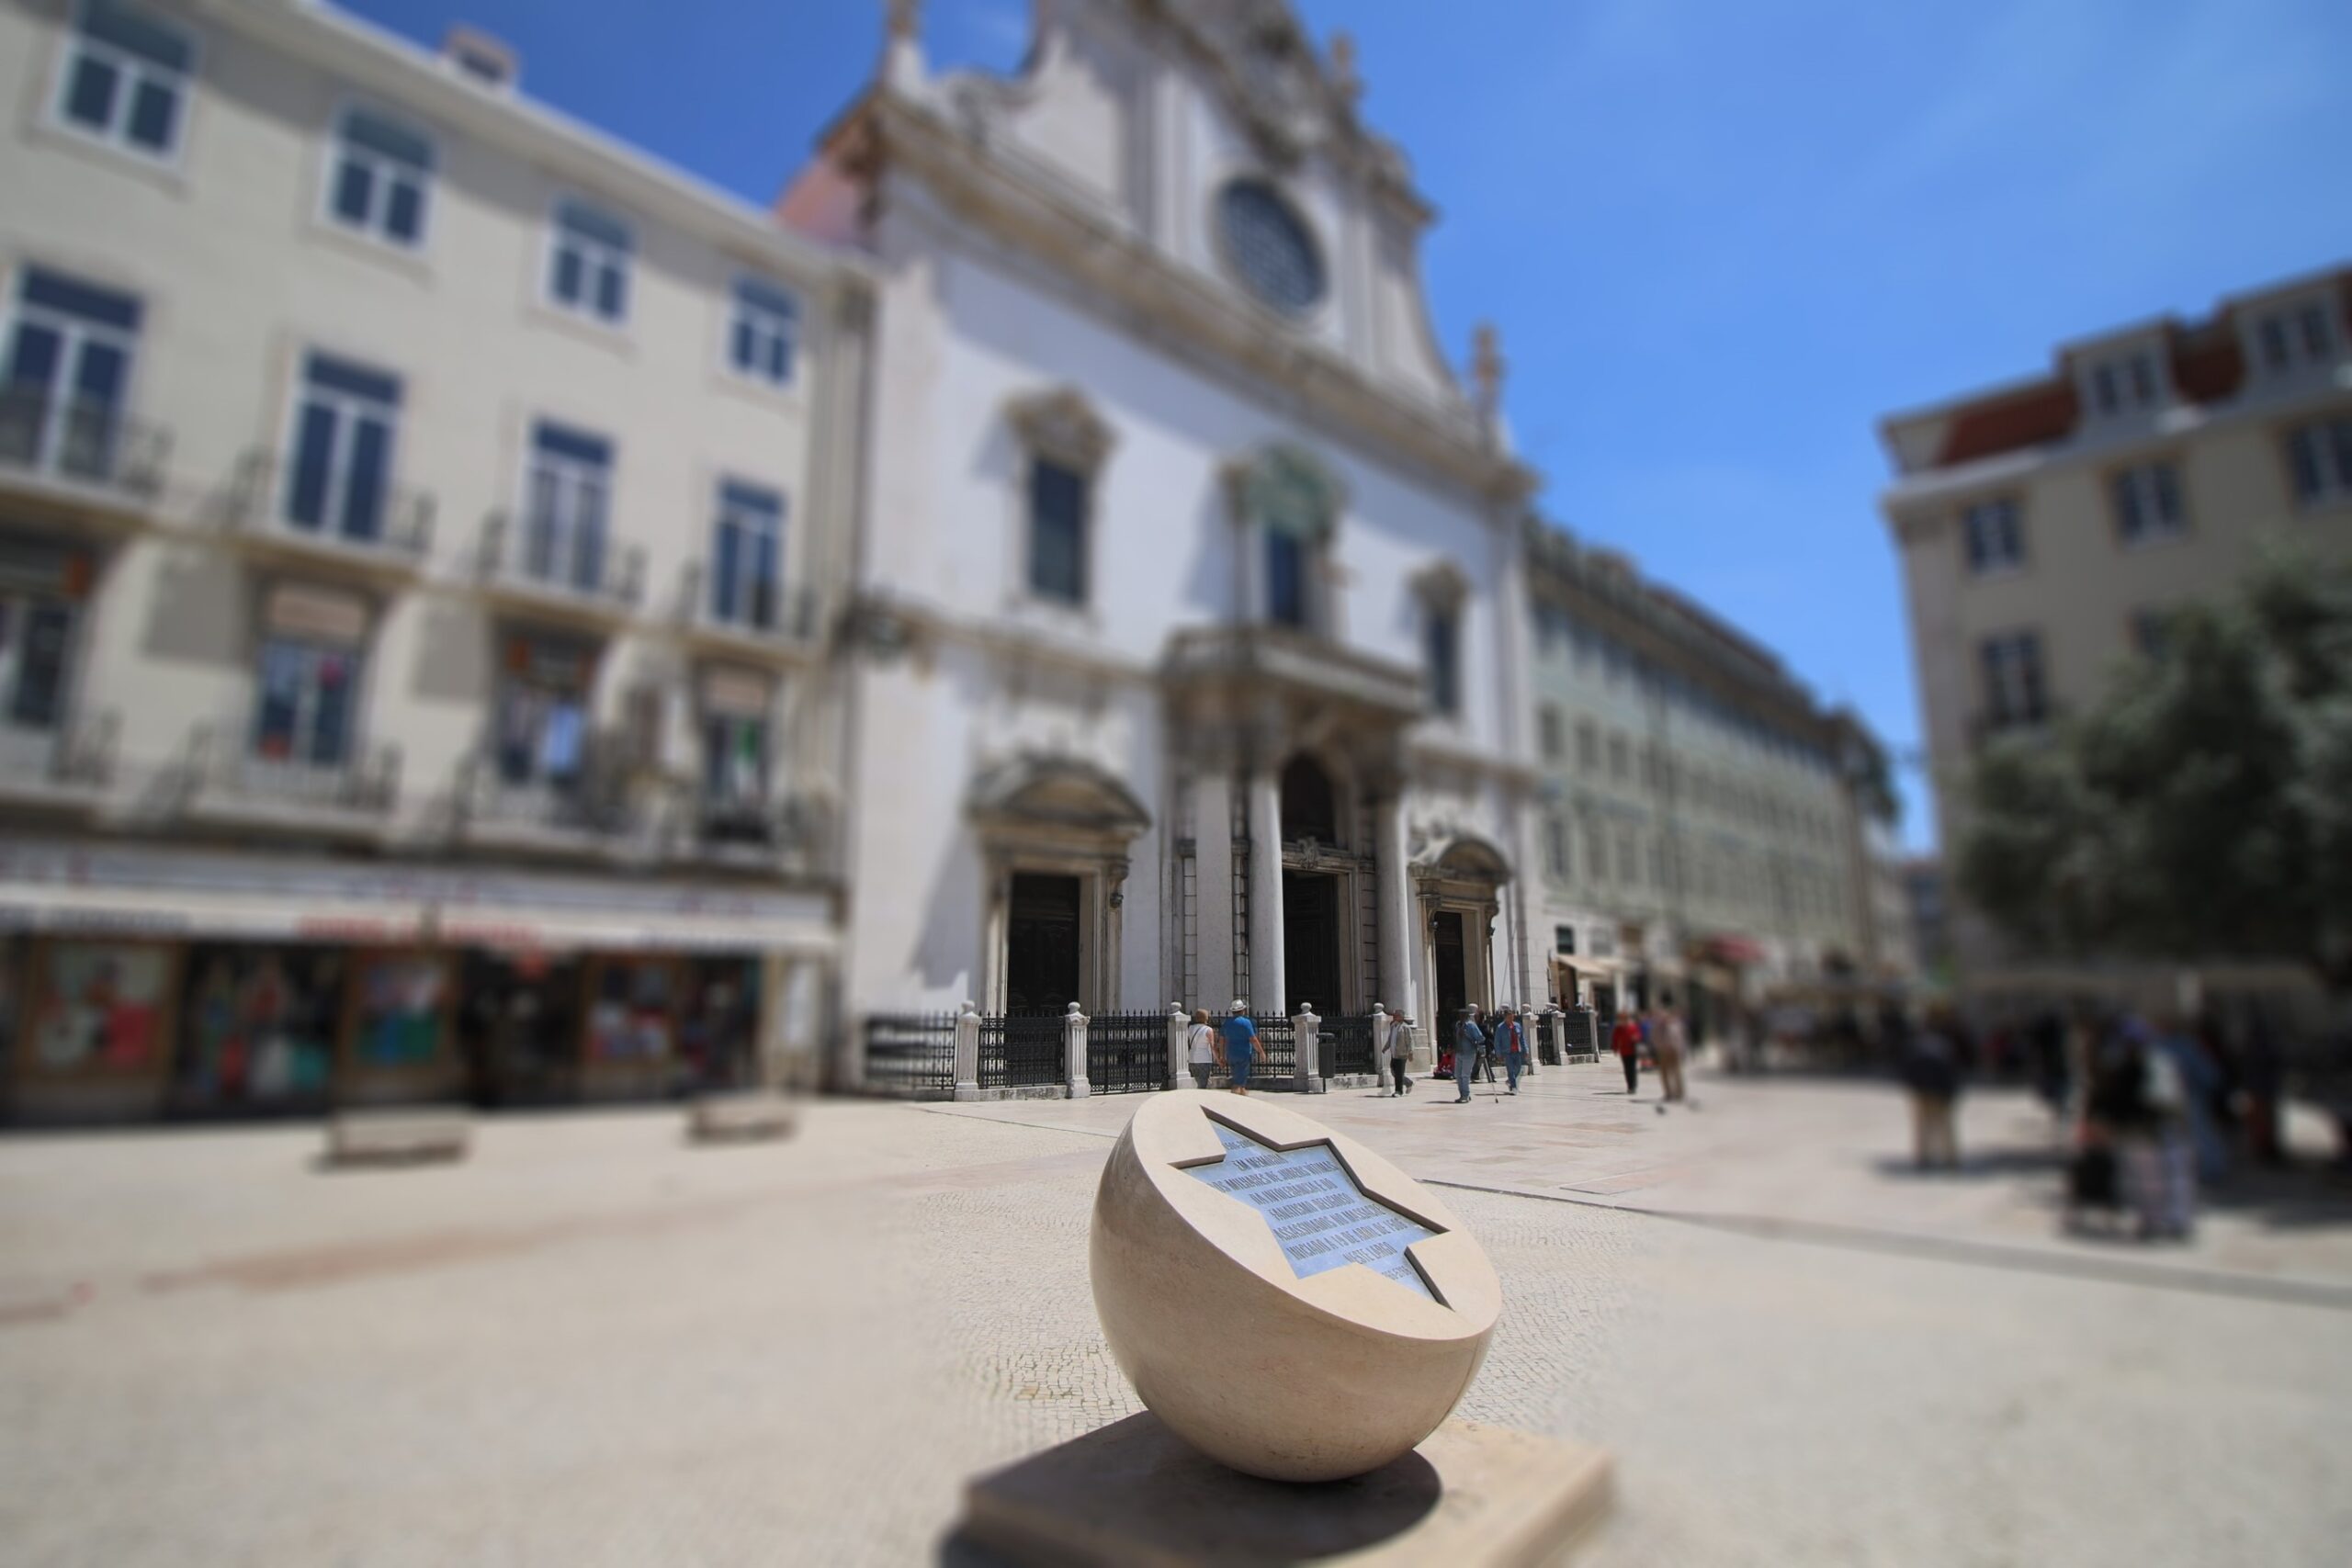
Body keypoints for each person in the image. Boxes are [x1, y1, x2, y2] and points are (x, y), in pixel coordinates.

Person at [1902, 1008, 1963, 1170]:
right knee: (1944, 1126)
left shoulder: (1916, 1044)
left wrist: (1912, 1087)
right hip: (1940, 1090)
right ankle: (1950, 1158)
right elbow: (1952, 1069)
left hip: (1922, 1090)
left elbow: (1907, 1068)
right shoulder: (1945, 1045)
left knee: (1923, 1126)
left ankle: (1924, 1157)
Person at [1217, 999, 1258, 1095]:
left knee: (1236, 1074)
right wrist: (1261, 1052)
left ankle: (1241, 1090)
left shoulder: (1226, 1023)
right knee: (1242, 1075)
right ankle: (1238, 1090)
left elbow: (1221, 1041)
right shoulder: (1246, 1022)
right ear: (1243, 1010)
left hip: (1231, 1053)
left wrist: (1222, 1056)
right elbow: (1253, 1039)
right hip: (1244, 1053)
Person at [1653, 1004, 1689, 1103]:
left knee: (1676, 1073)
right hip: (1663, 1052)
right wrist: (1660, 1047)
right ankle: (1668, 1093)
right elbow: (1655, 1039)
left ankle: (1679, 1093)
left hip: (1674, 1051)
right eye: (1661, 1016)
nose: (1663, 1018)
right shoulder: (1658, 1027)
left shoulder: (1676, 1026)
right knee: (1664, 1074)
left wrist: (1681, 1051)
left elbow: (1681, 1040)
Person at [1453, 1009, 1485, 1103]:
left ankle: (1465, 1095)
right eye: (1460, 1015)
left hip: (1469, 1053)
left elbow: (1480, 1038)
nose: (1461, 1017)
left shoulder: (1471, 1025)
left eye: (1463, 1015)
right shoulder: (1458, 1025)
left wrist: (1482, 1050)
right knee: (1458, 1075)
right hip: (1459, 1052)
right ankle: (1462, 1094)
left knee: (1465, 1075)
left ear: (1467, 1016)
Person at [1385, 1006, 1414, 1097]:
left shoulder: (1405, 1027)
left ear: (1401, 1017)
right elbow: (1390, 1039)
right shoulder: (1393, 1026)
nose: (1394, 1017)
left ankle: (1398, 1091)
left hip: (1402, 1054)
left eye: (1396, 1015)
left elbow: (1410, 1040)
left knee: (1399, 1073)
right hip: (1394, 1054)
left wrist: (1410, 1052)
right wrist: (1385, 1048)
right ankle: (1408, 1083)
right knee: (1394, 1072)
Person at [1611, 1010, 1642, 1095]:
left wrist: (1636, 1038)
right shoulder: (1618, 1029)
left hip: (1633, 1051)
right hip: (1624, 1051)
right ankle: (1630, 1086)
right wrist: (1615, 1049)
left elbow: (1638, 1035)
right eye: (1622, 1018)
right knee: (1627, 1070)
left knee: (1632, 1069)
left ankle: (1633, 1086)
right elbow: (1615, 1039)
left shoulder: (1633, 1027)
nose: (1623, 1020)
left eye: (1625, 1018)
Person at [1497, 1007, 1526, 1094]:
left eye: (1512, 1017)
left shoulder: (1517, 1025)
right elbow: (1497, 1042)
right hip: (1507, 1052)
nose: (1511, 1019)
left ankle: (1510, 1081)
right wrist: (1499, 1054)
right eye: (1509, 1017)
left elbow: (1522, 1039)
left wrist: (1526, 1049)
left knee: (1518, 1069)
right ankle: (1513, 1087)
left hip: (1517, 1051)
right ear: (1505, 1017)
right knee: (1511, 1070)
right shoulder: (1500, 1028)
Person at [1186, 1009, 1216, 1089]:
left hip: (1192, 1059)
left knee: (1198, 1082)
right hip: (1204, 1059)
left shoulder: (1190, 1028)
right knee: (1204, 1085)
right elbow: (1212, 1046)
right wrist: (1218, 1059)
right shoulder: (1208, 1030)